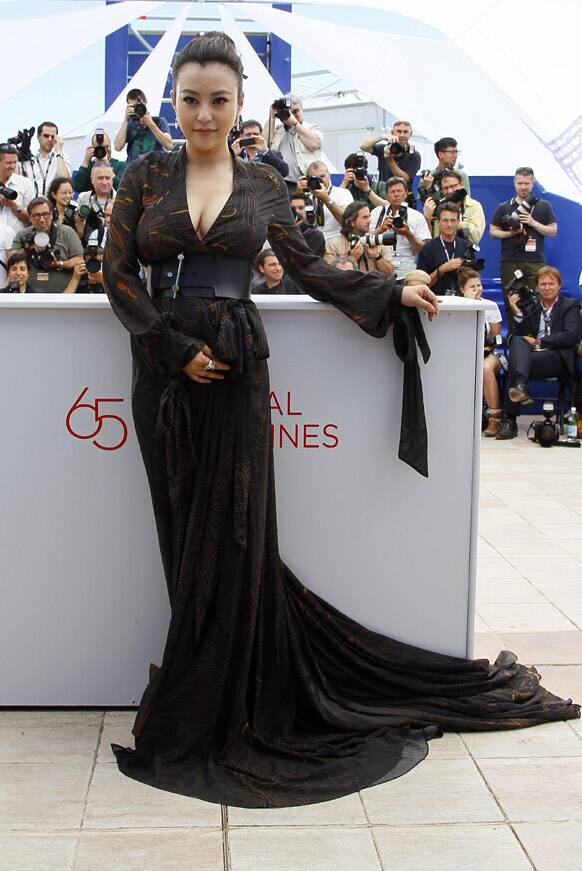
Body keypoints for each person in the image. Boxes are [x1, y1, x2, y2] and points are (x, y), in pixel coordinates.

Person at [102, 32, 578, 810]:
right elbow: (120, 276)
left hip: (237, 372)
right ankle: (199, 686)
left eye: (219, 99)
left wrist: (392, 292)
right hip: (162, 372)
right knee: (181, 531)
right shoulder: (145, 173)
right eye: (190, 98)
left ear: (240, 105)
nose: (204, 113)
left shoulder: (261, 183)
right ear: (173, 102)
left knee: (239, 534)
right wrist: (170, 346)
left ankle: (230, 699)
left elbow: (313, 266)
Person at [497, 266, 580, 440]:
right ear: (537, 287)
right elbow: (521, 334)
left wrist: (540, 341)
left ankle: (509, 420)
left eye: (551, 283)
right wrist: (517, 312)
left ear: (559, 286)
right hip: (532, 359)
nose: (547, 287)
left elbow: (571, 336)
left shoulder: (569, 305)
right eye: (543, 284)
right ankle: (519, 387)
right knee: (518, 342)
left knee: (517, 363)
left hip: (556, 358)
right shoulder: (532, 306)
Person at [489, 167, 558, 291]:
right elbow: (493, 232)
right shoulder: (503, 207)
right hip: (510, 260)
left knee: (536, 300)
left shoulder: (543, 205)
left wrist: (533, 223)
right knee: (512, 297)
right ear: (514, 183)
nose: (523, 187)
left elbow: (553, 231)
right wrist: (511, 233)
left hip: (535, 261)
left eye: (527, 183)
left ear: (533, 184)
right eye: (520, 183)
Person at [458, 268, 504, 436]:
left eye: (479, 285)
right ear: (462, 289)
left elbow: (495, 338)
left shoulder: (490, 306)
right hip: (462, 354)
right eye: (472, 287)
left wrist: (485, 348)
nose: (477, 289)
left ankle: (494, 419)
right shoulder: (456, 307)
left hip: (487, 353)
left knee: (485, 368)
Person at [11, 196, 83, 293]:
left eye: (45, 214)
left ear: (52, 215)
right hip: (29, 298)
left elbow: (79, 260)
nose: (42, 219)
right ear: (30, 218)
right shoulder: (23, 235)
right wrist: (29, 250)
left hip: (64, 296)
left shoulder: (67, 232)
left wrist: (59, 264)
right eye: (37, 215)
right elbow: (12, 261)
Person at [370, 177, 431, 279]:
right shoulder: (377, 213)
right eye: (392, 192)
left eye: (399, 191)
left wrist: (408, 234)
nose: (396, 194)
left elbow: (424, 250)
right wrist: (381, 229)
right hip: (380, 268)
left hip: (407, 270)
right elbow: (365, 240)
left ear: (406, 193)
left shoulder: (417, 216)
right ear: (387, 196)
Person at [264, 93, 323, 185]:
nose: (292, 115)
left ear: (302, 110)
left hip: (304, 182)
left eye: (295, 111)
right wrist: (272, 117)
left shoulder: (312, 128)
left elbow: (314, 145)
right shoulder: (277, 130)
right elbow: (263, 144)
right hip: (279, 183)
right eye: (289, 112)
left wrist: (295, 124)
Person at [360, 120, 421, 207]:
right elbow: (363, 146)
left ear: (410, 134)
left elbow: (405, 178)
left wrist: (390, 160)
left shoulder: (414, 154)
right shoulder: (385, 148)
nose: (402, 135)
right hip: (383, 196)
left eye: (405, 132)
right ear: (392, 132)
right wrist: (382, 137)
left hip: (402, 199)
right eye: (399, 131)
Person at [416, 202, 471, 294]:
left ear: (458, 222)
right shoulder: (428, 248)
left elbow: (473, 281)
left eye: (453, 220)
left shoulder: (467, 247)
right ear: (438, 222)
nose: (449, 224)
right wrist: (441, 269)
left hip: (462, 302)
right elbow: (420, 284)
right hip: (435, 300)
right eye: (445, 220)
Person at [324, 201, 394, 274]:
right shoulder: (333, 245)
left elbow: (390, 273)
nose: (369, 221)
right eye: (365, 217)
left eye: (369, 217)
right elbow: (331, 277)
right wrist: (352, 259)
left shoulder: (376, 241)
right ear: (352, 222)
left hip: (375, 285)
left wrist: (377, 256)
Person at [296, 160, 353, 242]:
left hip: (335, 242)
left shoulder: (342, 193)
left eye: (322, 176)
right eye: (314, 178)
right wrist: (298, 195)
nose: (319, 181)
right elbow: (293, 222)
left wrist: (327, 200)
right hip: (309, 244)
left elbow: (347, 221)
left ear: (329, 175)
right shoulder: (305, 196)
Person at [424, 170, 485, 245]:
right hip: (440, 253)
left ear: (461, 184)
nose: (449, 191)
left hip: (463, 254)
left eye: (453, 186)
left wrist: (454, 221)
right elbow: (429, 241)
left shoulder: (474, 206)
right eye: (445, 188)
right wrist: (427, 218)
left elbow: (475, 238)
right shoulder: (438, 208)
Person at [113, 88, 173, 164]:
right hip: (133, 170)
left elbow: (169, 146)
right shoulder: (130, 124)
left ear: (145, 102)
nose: (137, 109)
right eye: (133, 107)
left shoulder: (159, 121)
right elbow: (117, 147)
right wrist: (126, 119)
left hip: (154, 170)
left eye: (139, 105)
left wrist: (150, 124)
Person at [20, 121, 71, 197]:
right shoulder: (28, 159)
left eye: (53, 136)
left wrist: (59, 152)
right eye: (46, 136)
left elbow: (64, 179)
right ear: (38, 137)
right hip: (31, 204)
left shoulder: (62, 157)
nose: (50, 139)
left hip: (52, 205)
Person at [419, 137, 470, 204]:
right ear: (440, 154)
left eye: (456, 152)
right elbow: (426, 205)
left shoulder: (461, 175)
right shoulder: (428, 177)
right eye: (452, 152)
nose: (455, 156)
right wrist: (427, 188)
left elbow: (466, 201)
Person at [0, 143, 34, 233]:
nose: (12, 166)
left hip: (16, 242)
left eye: (15, 162)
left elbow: (31, 220)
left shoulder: (25, 184)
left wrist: (12, 205)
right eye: (8, 163)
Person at [289, 191, 325, 256]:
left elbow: (303, 259)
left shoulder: (315, 234)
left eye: (301, 208)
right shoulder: (283, 230)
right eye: (293, 209)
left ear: (308, 210)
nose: (297, 211)